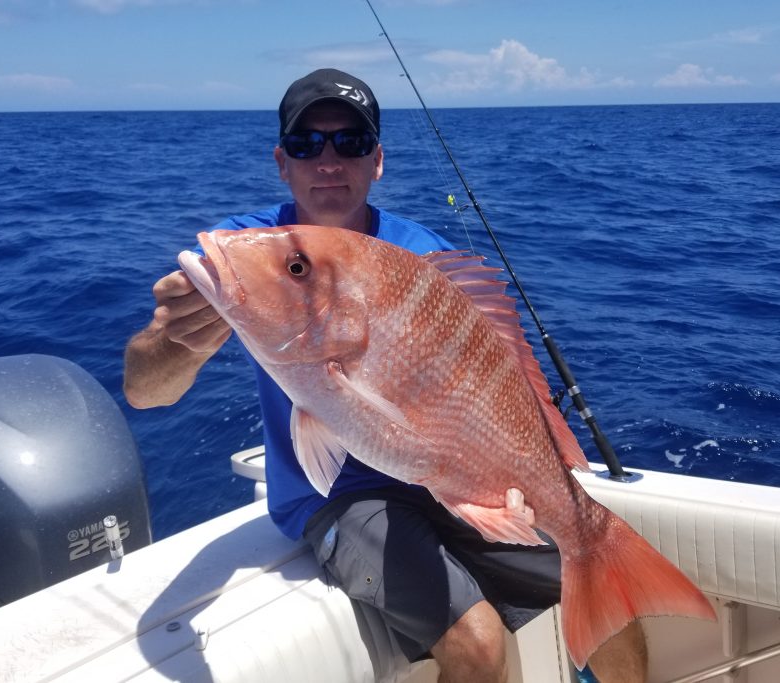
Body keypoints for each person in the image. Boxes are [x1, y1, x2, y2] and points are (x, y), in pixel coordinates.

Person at [124, 68, 647, 683]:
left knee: (616, 599)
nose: (327, 160)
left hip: (449, 471)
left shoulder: (424, 256)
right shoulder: (255, 248)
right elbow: (145, 391)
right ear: (281, 162)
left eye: (349, 143)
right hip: (341, 497)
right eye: (305, 144)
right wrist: (176, 342)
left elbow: (504, 382)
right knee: (477, 643)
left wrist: (522, 470)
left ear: (376, 161)